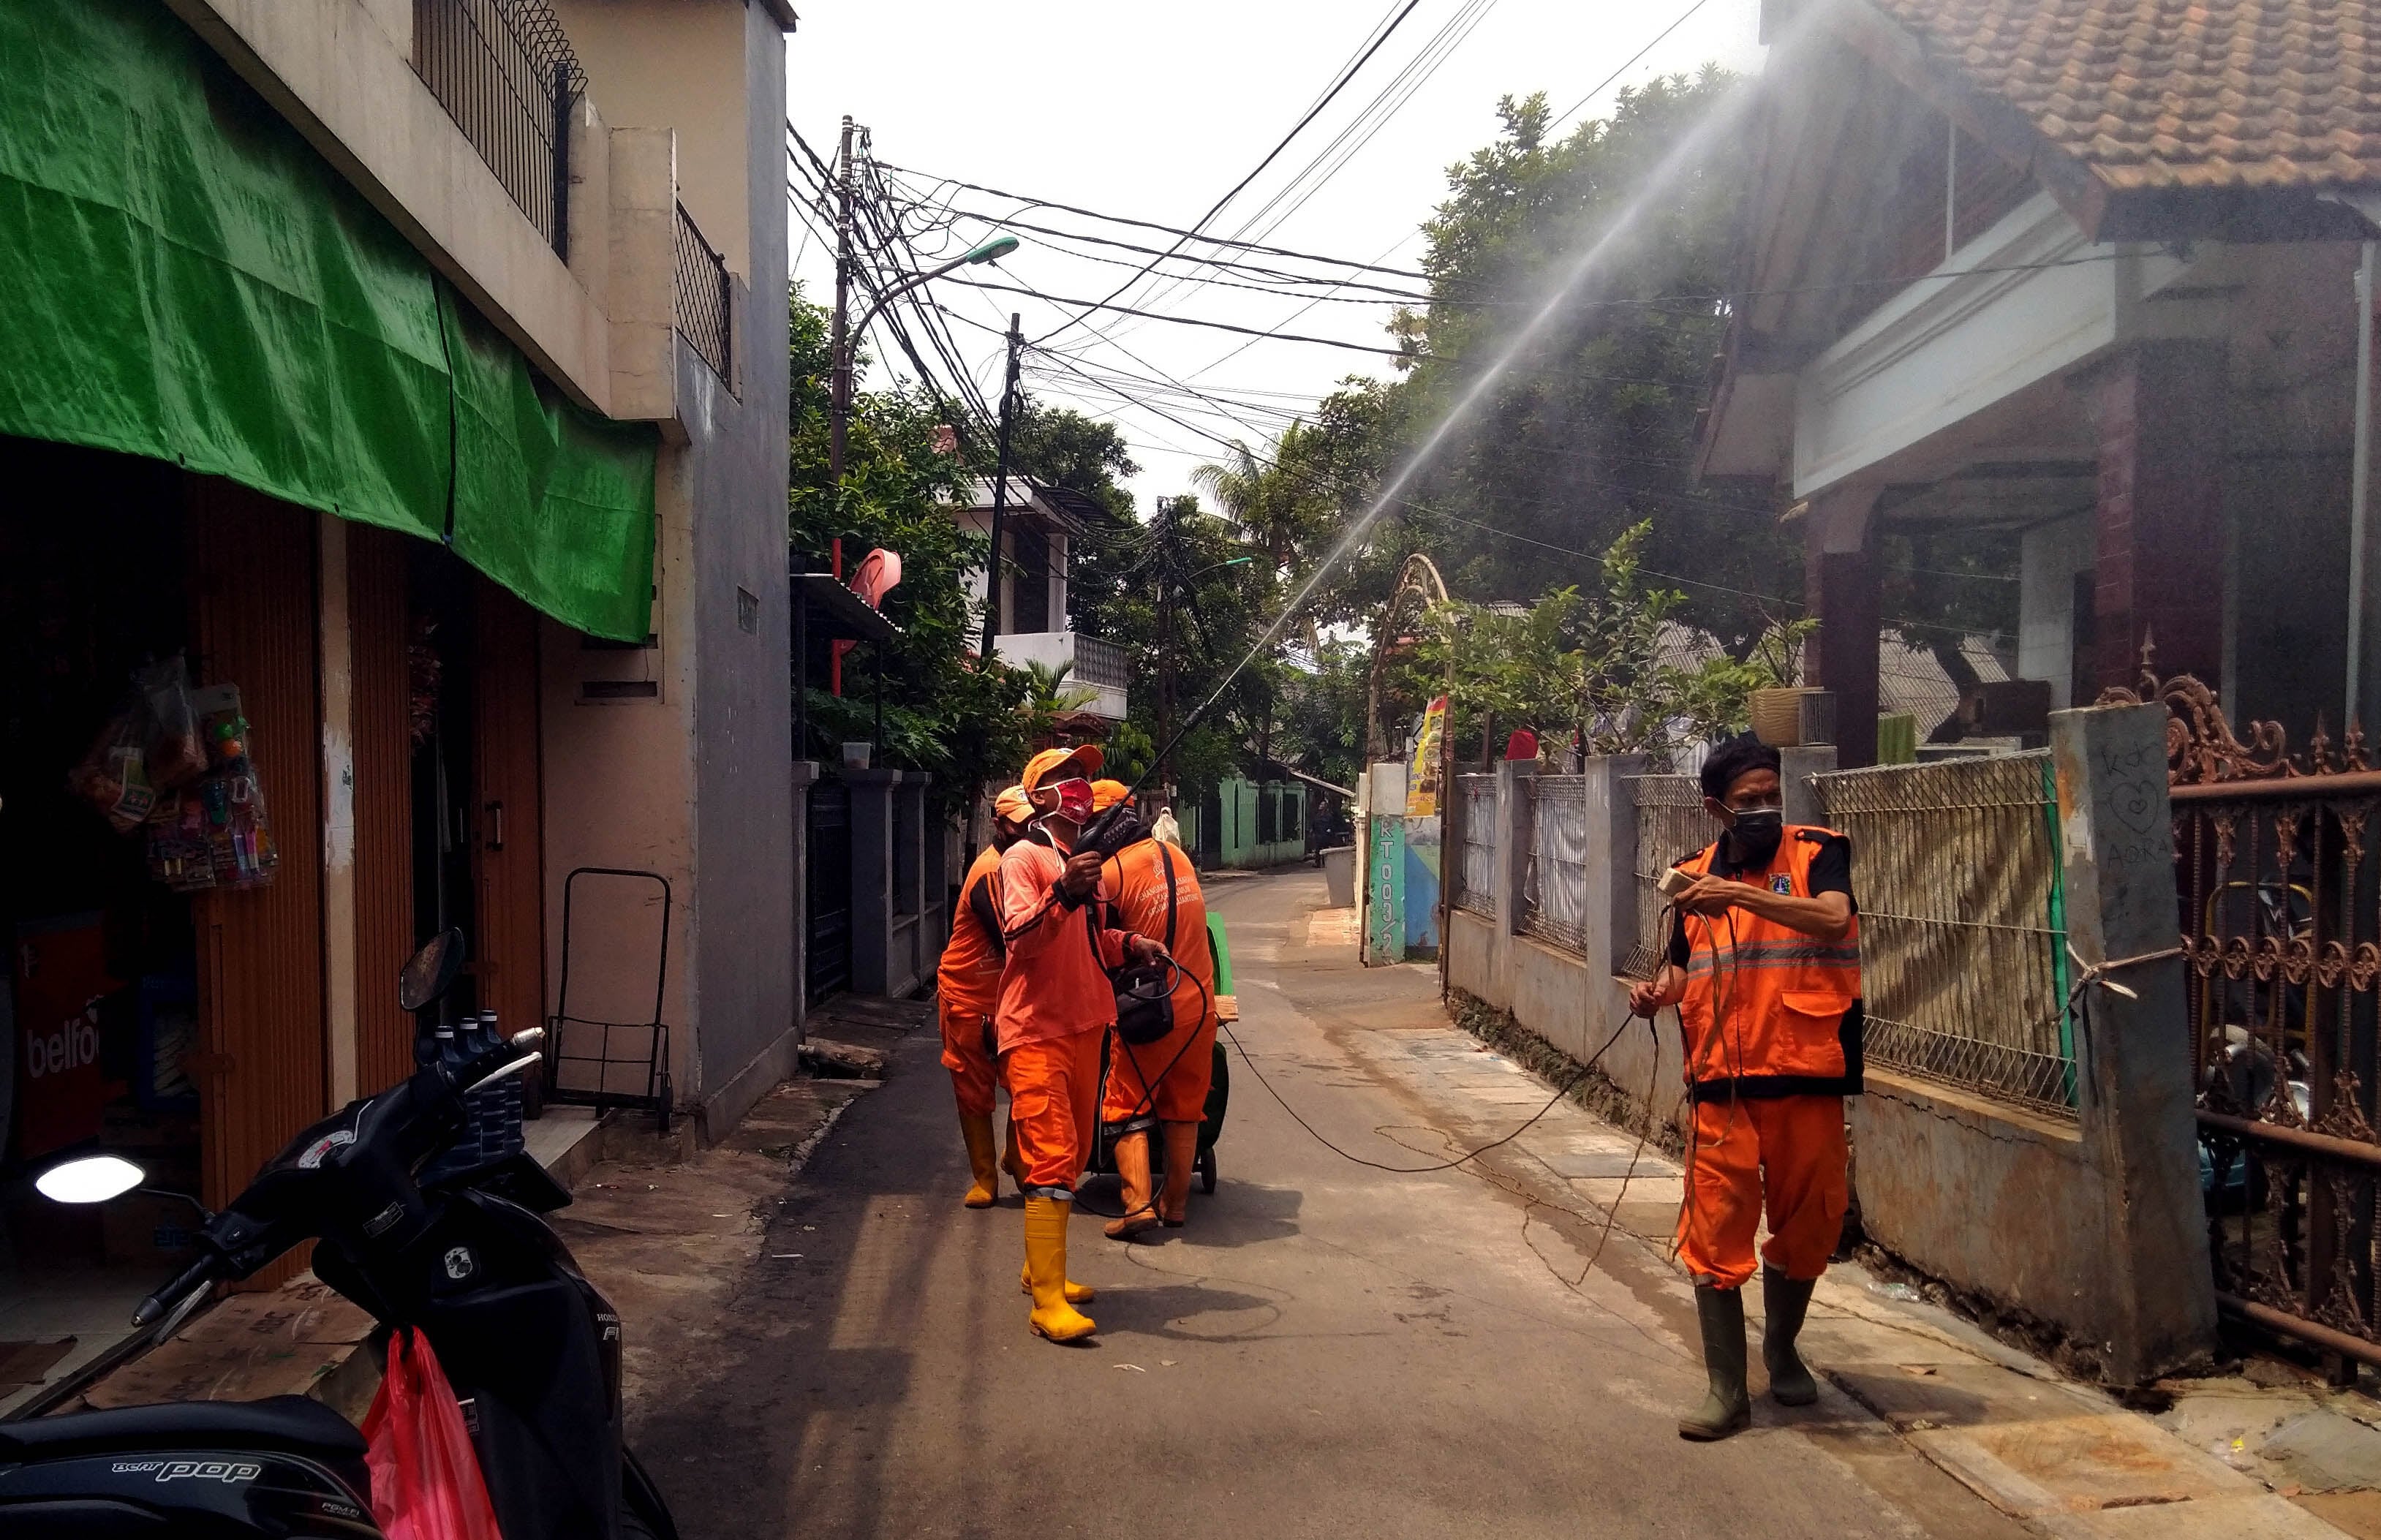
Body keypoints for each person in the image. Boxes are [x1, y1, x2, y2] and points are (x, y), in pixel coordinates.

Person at [1627, 733, 1861, 1441]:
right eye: (1746, 800)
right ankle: (1725, 1389)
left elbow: (1833, 918)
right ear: (1715, 808)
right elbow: (1680, 966)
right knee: (1714, 1231)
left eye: (1770, 795)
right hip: (1723, 1088)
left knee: (1812, 1224)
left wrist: (1736, 896)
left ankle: (1782, 1349)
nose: (1763, 809)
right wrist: (1655, 995)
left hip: (1805, 1078)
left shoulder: (1818, 851)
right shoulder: (1689, 877)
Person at [995, 747, 1165, 1342]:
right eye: (1066, 778)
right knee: (1049, 1157)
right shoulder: (1023, 859)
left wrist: (1130, 943)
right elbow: (1020, 939)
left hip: (1086, 1024)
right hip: (1037, 1030)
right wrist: (1063, 891)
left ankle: (1041, 1272)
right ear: (1039, 797)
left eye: (1085, 775)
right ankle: (1047, 1305)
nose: (1081, 786)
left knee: (1068, 1157)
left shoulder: (1083, 863)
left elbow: (1089, 941)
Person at [1087, 780, 1218, 1239]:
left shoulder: (1111, 874)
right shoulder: (1176, 856)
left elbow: (1094, 947)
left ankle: (1137, 1203)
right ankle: (1175, 1206)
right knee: (1185, 1108)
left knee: (1124, 1104)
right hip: (1200, 1005)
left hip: (1149, 1009)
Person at [935, 785, 1034, 1208]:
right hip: (969, 998)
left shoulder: (1024, 863)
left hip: (1011, 999)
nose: (1030, 832)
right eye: (1022, 826)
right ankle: (985, 1178)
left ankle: (1015, 1156)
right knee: (973, 1092)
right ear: (1000, 825)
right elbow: (1014, 936)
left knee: (1029, 1082)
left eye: (1035, 823)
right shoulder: (991, 872)